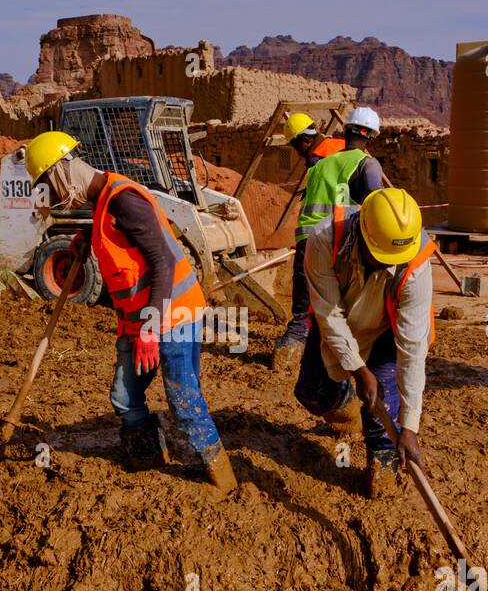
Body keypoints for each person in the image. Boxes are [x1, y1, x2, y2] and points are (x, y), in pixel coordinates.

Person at [22, 130, 237, 492]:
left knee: (184, 402)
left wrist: (151, 330)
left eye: (49, 185)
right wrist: (85, 243)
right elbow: (122, 247)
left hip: (173, 315)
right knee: (124, 397)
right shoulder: (103, 201)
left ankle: (224, 482)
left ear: (61, 172)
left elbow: (163, 262)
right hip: (139, 320)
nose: (53, 196)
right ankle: (148, 464)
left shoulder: (124, 200)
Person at [294, 187, 436, 497]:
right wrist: (358, 371)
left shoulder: (416, 262)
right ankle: (344, 405)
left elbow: (412, 348)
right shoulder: (324, 239)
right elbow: (329, 316)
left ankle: (382, 477)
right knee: (313, 396)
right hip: (337, 322)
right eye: (380, 258)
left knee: (381, 405)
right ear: (362, 233)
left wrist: (410, 424)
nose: (387, 265)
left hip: (385, 328)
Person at [274, 106, 385, 366]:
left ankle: (293, 347)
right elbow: (376, 207)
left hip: (307, 239)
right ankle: (343, 355)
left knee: (306, 299)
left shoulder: (319, 165)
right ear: (371, 136)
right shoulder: (366, 163)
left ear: (345, 131)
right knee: (340, 302)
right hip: (339, 241)